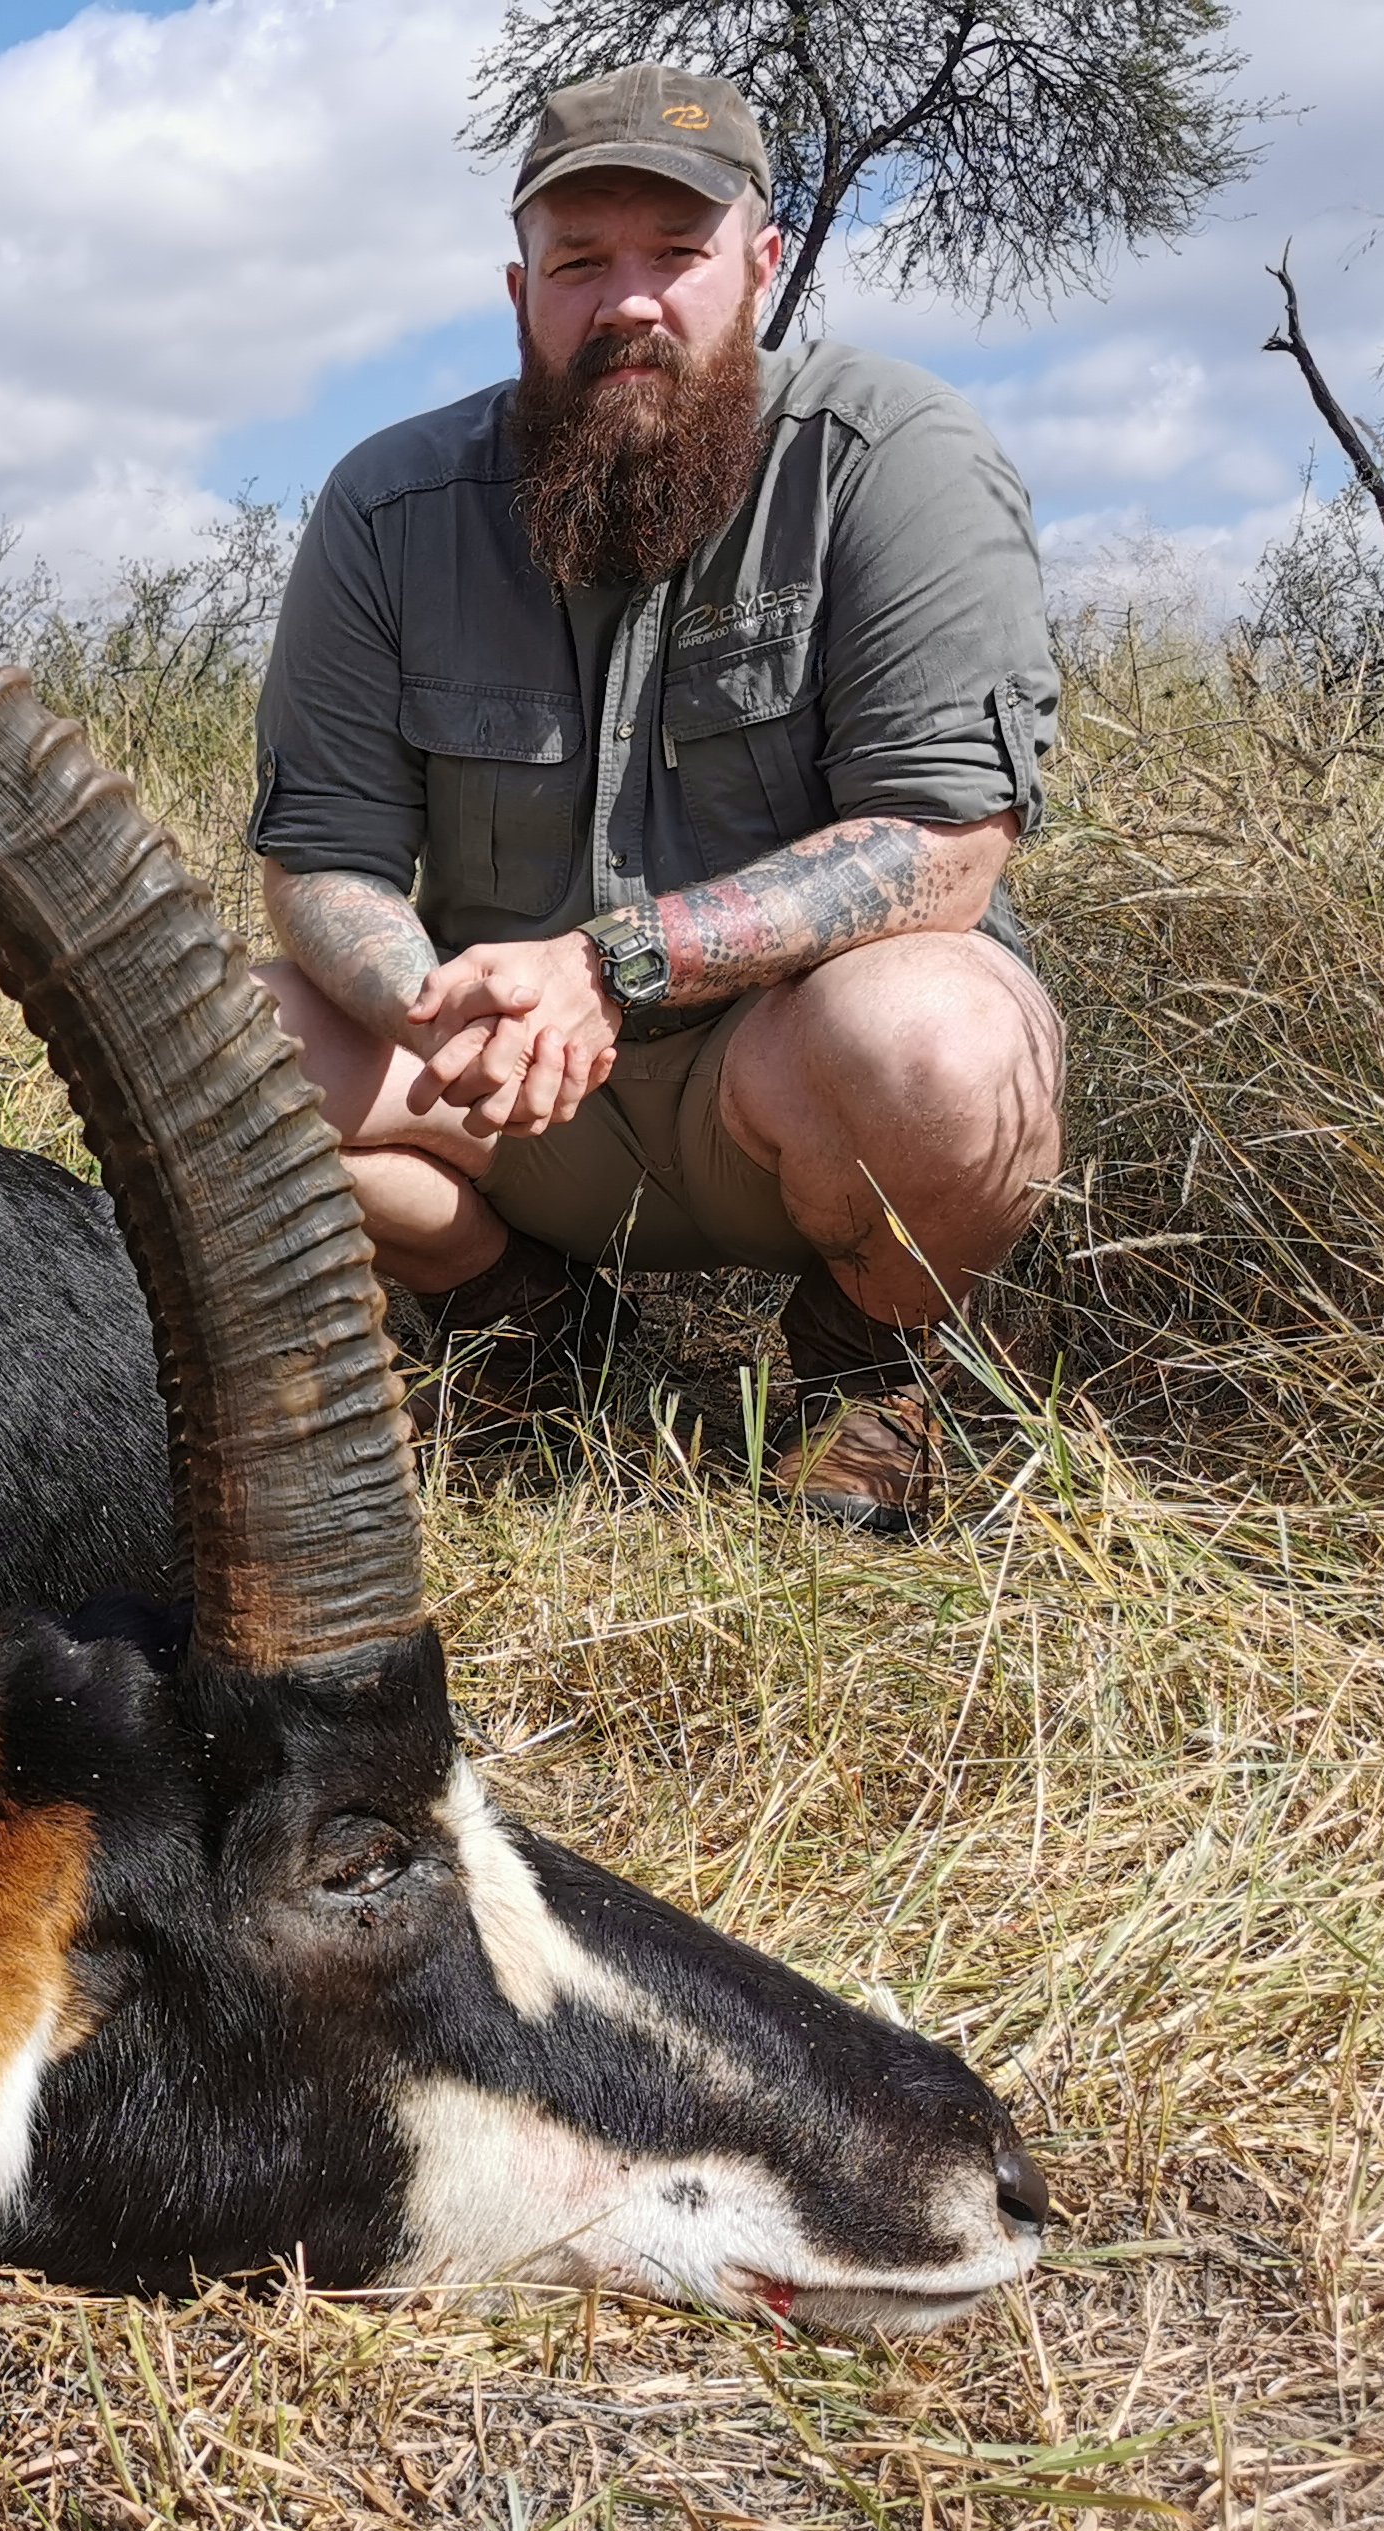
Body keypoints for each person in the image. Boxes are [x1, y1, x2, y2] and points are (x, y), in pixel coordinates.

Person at [250, 61, 1063, 1533]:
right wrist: (427, 1000)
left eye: (675, 256)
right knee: (211, 1051)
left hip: (792, 1075)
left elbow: (944, 847)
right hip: (517, 1087)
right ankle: (523, 1321)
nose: (628, 303)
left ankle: (863, 1366)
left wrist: (616, 964)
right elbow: (320, 859)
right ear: (519, 294)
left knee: (943, 1039)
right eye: (580, 264)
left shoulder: (893, 454)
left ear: (759, 267)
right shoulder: (388, 505)